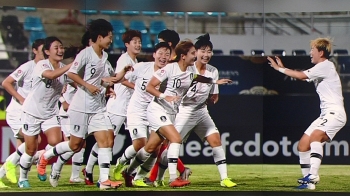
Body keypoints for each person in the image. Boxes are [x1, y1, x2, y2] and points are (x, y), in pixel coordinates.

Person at [121, 40, 232, 187]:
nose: (196, 56)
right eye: (194, 53)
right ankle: (173, 178)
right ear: (183, 56)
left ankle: (129, 172)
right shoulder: (169, 68)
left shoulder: (191, 70)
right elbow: (150, 86)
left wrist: (214, 82)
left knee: (151, 148)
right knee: (175, 139)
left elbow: (196, 77)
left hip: (174, 111)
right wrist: (164, 96)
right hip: (158, 109)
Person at [36, 19, 129, 190]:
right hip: (81, 107)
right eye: (109, 36)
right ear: (100, 37)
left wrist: (120, 76)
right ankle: (46, 156)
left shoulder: (105, 57)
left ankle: (103, 181)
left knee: (107, 140)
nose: (111, 39)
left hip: (98, 108)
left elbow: (111, 78)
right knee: (75, 145)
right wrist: (88, 85)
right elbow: (71, 74)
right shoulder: (86, 53)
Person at [153, 33, 237, 188]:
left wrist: (212, 98)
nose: (206, 55)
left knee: (216, 141)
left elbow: (214, 96)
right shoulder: (187, 68)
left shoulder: (213, 71)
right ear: (195, 52)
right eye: (202, 51)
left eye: (209, 51)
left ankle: (224, 178)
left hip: (202, 111)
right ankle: (158, 177)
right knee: (173, 145)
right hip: (184, 111)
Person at [267, 37, 346, 190]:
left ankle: (313, 175)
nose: (310, 53)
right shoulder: (321, 68)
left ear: (321, 52)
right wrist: (285, 68)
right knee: (303, 145)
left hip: (335, 113)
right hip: (325, 114)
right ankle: (308, 183)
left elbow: (302, 75)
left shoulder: (326, 65)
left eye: (312, 50)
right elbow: (303, 77)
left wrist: (279, 69)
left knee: (316, 135)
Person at [82, 29, 142, 185]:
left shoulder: (136, 62)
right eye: (134, 42)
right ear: (127, 44)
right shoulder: (124, 59)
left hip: (131, 107)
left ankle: (128, 170)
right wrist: (137, 87)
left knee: (138, 140)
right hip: (117, 106)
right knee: (107, 140)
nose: (138, 44)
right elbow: (118, 78)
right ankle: (89, 170)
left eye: (139, 42)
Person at [112, 42, 172, 187]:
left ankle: (138, 177)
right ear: (154, 55)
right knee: (140, 144)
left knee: (155, 148)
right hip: (137, 110)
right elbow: (119, 78)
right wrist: (119, 80)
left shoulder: (170, 73)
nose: (163, 57)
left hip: (155, 112)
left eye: (167, 54)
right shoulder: (142, 67)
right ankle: (121, 162)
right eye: (160, 53)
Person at [17, 36, 72, 188]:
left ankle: (42, 158)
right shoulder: (42, 64)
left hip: (50, 112)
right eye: (57, 48)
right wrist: (72, 65)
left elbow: (75, 80)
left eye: (61, 47)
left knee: (55, 142)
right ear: (47, 51)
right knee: (30, 149)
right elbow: (51, 75)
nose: (60, 50)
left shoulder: (64, 67)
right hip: (32, 111)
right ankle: (23, 178)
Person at [147, 29, 192, 185]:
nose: (159, 46)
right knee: (159, 145)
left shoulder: (174, 63)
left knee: (160, 146)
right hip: (157, 107)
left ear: (169, 44)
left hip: (168, 108)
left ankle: (154, 178)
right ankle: (170, 175)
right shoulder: (169, 63)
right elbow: (151, 85)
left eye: (161, 41)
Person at [0, 39, 45, 188]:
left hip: (30, 113)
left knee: (28, 150)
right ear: (34, 51)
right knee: (34, 141)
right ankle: (8, 167)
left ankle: (11, 174)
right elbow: (6, 82)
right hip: (17, 112)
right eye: (42, 49)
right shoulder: (27, 67)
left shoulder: (46, 69)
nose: (45, 52)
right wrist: (21, 98)